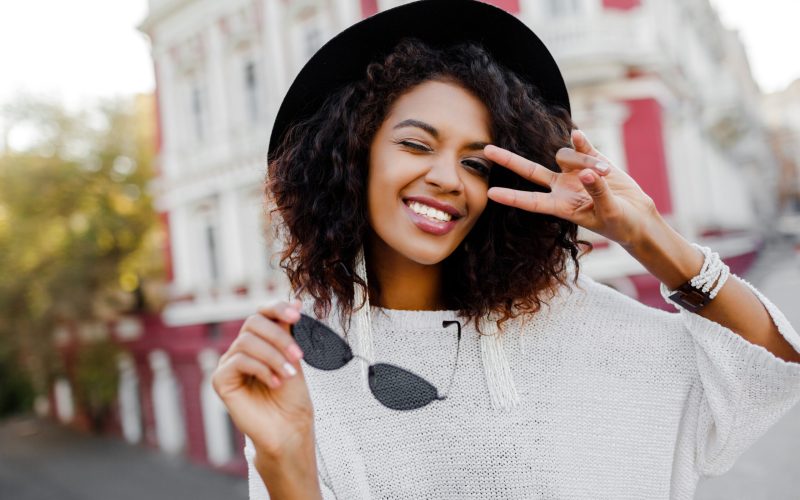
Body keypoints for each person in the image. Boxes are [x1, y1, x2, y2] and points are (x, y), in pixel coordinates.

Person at [211, 1, 800, 498]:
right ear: (351, 158)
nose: (449, 178)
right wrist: (284, 466)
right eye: (417, 145)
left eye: (475, 161)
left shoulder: (580, 324)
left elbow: (770, 369)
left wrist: (648, 235)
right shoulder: (305, 362)